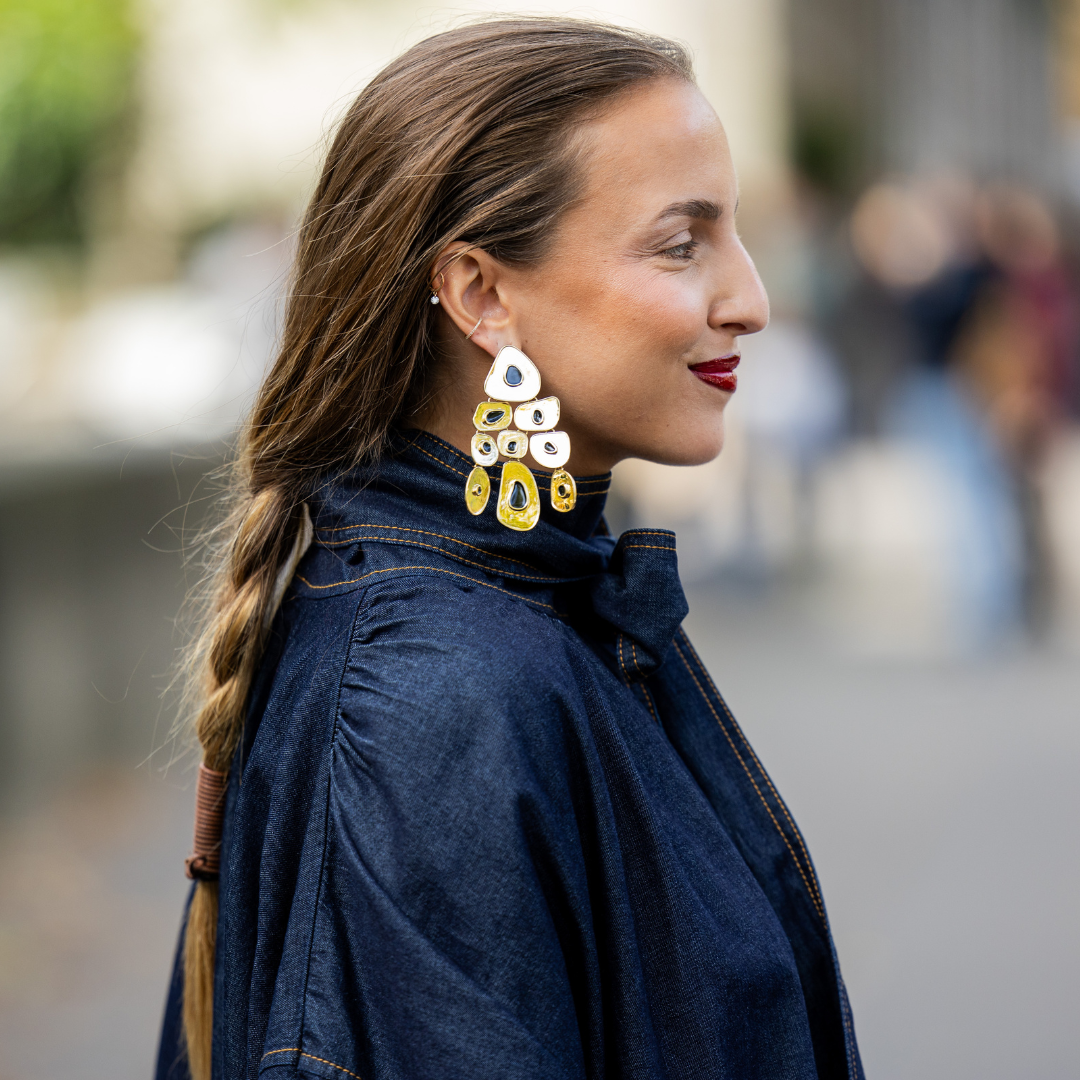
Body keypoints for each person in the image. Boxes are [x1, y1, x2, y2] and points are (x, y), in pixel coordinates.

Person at [156, 18, 863, 1080]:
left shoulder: (545, 596)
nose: (751, 301)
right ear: (482, 294)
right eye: (682, 244)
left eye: (738, 238)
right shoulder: (435, 697)